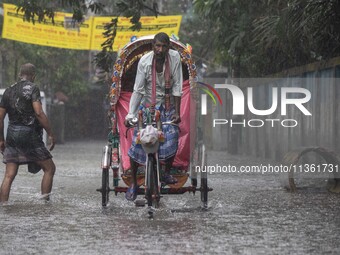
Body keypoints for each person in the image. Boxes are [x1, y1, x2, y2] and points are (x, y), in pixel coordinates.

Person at [124, 32, 183, 201]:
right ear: (153, 46)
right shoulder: (144, 61)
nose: (160, 49)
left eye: (164, 46)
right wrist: (131, 114)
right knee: (137, 141)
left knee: (173, 133)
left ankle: (165, 173)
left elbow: (177, 86)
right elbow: (138, 89)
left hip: (166, 105)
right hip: (146, 106)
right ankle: (134, 183)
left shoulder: (175, 58)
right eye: (157, 46)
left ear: (168, 47)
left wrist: (177, 113)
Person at [0, 63, 56, 202]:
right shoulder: (33, 88)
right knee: (49, 169)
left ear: (20, 75)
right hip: (29, 135)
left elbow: (0, 117)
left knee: (9, 175)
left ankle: (3, 207)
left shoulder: (8, 90)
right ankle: (44, 203)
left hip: (12, 135)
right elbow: (38, 112)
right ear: (33, 76)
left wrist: (1, 139)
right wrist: (50, 133)